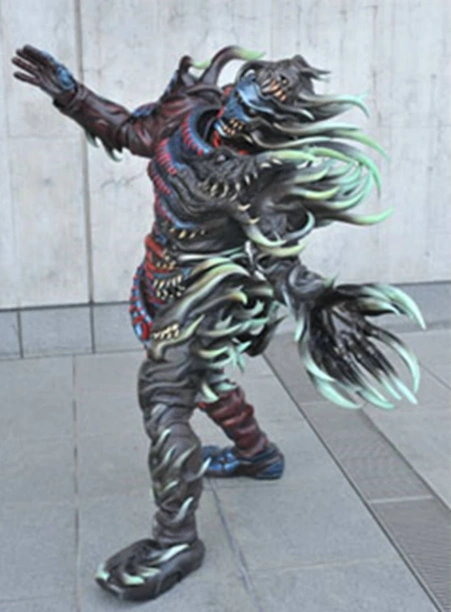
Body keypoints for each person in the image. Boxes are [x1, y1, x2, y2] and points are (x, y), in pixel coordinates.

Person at [12, 44, 423, 601]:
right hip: (157, 279)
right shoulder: (188, 114)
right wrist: (73, 95)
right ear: (233, 90)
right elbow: (132, 133)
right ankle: (257, 453)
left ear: (275, 128)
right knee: (202, 379)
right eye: (240, 101)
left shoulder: (258, 181)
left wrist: (320, 304)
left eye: (256, 117)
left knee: (163, 398)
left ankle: (176, 539)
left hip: (206, 296)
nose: (237, 118)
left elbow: (280, 260)